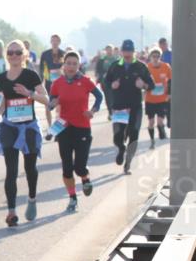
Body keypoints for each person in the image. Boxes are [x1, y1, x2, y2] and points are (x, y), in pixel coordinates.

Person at [0, 40, 50, 227]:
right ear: (7, 55)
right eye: (10, 52)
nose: (14, 55)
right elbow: (6, 99)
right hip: (9, 127)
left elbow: (47, 99)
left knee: (30, 168)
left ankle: (32, 199)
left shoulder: (31, 75)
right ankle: (11, 212)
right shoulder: (1, 79)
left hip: (29, 127)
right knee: (11, 171)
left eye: (17, 52)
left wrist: (29, 93)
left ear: (24, 55)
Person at [48, 51, 103, 212]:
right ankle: (72, 198)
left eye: (74, 63)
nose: (71, 66)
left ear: (79, 65)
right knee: (66, 167)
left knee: (79, 167)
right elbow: (51, 104)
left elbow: (99, 97)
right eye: (68, 63)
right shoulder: (57, 83)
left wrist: (93, 110)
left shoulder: (85, 81)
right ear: (63, 65)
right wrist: (53, 103)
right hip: (64, 128)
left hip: (82, 128)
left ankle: (85, 178)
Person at [103, 39, 154, 175]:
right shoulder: (115, 66)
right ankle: (121, 148)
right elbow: (106, 82)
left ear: (133, 51)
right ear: (121, 51)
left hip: (135, 107)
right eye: (125, 51)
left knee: (134, 136)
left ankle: (128, 164)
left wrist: (143, 85)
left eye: (130, 51)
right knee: (117, 136)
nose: (127, 54)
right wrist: (112, 85)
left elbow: (151, 85)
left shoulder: (141, 67)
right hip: (119, 106)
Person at [144, 47, 172, 147]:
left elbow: (171, 81)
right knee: (151, 122)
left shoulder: (166, 67)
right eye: (153, 56)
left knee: (160, 121)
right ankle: (152, 141)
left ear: (160, 57)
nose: (155, 58)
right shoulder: (147, 68)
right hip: (150, 100)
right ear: (150, 57)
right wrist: (145, 87)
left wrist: (169, 93)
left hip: (162, 99)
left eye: (158, 56)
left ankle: (161, 131)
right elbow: (143, 82)